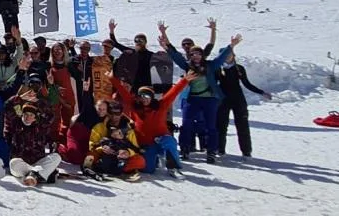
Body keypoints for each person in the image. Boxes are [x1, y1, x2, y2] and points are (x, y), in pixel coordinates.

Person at [161, 25, 241, 163]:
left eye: (198, 54)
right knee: (186, 125)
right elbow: (176, 56)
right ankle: (185, 149)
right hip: (192, 99)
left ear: (202, 55)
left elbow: (221, 58)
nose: (195, 56)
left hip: (209, 99)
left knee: (210, 126)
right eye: (193, 54)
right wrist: (166, 44)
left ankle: (211, 151)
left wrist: (231, 46)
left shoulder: (210, 65)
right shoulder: (188, 66)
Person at [112, 75, 190, 175]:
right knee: (148, 170)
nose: (144, 99)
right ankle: (155, 159)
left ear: (152, 97)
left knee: (169, 142)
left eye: (147, 96)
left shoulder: (160, 106)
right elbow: (124, 94)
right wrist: (112, 78)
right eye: (141, 96)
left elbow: (173, 92)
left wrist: (185, 80)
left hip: (161, 140)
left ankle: (173, 168)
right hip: (147, 145)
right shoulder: (135, 107)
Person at [215, 51, 268, 158]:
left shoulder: (239, 68)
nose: (227, 57)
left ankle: (246, 151)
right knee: (221, 126)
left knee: (242, 125)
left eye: (229, 54)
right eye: (224, 55)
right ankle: (220, 149)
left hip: (238, 99)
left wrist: (261, 92)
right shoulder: (217, 69)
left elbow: (247, 83)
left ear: (233, 56)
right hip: (222, 100)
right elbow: (212, 84)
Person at [3, 98, 60, 186]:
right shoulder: (15, 123)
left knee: (57, 157)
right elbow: (7, 106)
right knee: (13, 163)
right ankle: (39, 174)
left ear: (35, 117)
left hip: (38, 162)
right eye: (26, 114)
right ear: (22, 114)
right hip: (22, 164)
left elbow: (50, 114)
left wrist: (38, 100)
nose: (28, 117)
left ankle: (33, 175)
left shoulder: (41, 126)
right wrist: (19, 98)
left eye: (31, 115)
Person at [84, 101, 144, 179]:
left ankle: (120, 169)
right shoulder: (99, 127)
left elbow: (135, 148)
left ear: (121, 114)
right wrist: (102, 148)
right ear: (107, 113)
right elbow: (92, 145)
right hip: (103, 155)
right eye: (111, 113)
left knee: (140, 161)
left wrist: (128, 152)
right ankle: (91, 168)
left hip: (120, 156)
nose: (114, 116)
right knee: (90, 155)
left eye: (117, 113)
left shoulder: (128, 129)